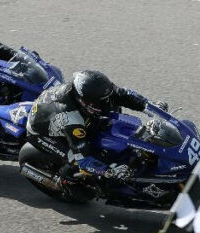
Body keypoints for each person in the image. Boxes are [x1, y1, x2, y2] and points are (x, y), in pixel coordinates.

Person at [25, 69, 163, 181]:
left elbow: (123, 94)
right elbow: (84, 161)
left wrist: (150, 106)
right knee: (75, 160)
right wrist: (109, 172)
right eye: (99, 103)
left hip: (66, 116)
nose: (106, 103)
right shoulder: (71, 118)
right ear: (82, 101)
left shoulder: (96, 91)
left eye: (106, 98)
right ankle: (66, 179)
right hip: (44, 134)